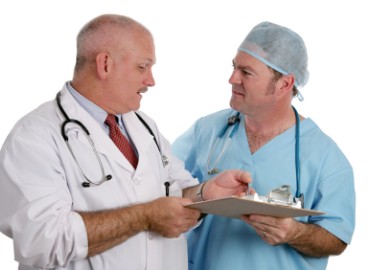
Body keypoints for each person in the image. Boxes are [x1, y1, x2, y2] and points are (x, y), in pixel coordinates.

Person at [0, 14, 252, 270]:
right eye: (143, 67)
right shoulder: (35, 137)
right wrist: (143, 217)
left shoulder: (144, 126)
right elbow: (43, 242)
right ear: (105, 64)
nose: (151, 81)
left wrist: (205, 193)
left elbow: (175, 192)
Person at [172, 21, 355, 270]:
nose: (232, 78)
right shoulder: (207, 130)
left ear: (285, 84)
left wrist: (295, 233)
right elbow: (161, 192)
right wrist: (203, 192)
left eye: (246, 72)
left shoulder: (325, 156)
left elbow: (336, 238)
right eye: (234, 67)